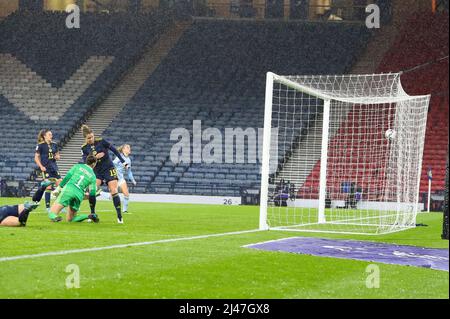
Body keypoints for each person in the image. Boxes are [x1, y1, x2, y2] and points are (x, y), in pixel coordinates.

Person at [80, 125, 128, 224]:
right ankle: (92, 214)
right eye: (89, 138)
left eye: (92, 137)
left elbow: (114, 150)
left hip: (108, 168)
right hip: (97, 171)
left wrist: (123, 162)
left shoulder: (102, 141)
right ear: (85, 138)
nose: (91, 139)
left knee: (114, 190)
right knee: (92, 191)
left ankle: (119, 216)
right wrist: (95, 157)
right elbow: (86, 161)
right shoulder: (84, 148)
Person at [50, 154, 99, 223]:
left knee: (52, 213)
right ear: (94, 164)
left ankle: (56, 218)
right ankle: (88, 216)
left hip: (69, 190)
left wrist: (59, 188)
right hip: (79, 195)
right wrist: (93, 210)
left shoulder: (77, 166)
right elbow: (92, 194)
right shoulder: (93, 176)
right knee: (71, 219)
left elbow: (67, 177)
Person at [34, 129, 62, 212]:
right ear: (44, 136)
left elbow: (58, 155)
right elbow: (36, 158)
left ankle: (58, 207)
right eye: (49, 134)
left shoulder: (55, 145)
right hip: (46, 168)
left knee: (60, 186)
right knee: (48, 186)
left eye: (51, 134)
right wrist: (41, 166)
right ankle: (48, 207)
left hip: (54, 167)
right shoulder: (40, 146)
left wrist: (57, 157)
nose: (51, 136)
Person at [113, 144, 137, 214]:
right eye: (127, 147)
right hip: (115, 178)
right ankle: (100, 193)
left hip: (121, 179)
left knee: (126, 194)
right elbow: (112, 163)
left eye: (129, 147)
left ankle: (124, 210)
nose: (129, 149)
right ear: (123, 150)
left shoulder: (128, 160)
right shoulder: (119, 157)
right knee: (112, 196)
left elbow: (129, 172)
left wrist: (133, 180)